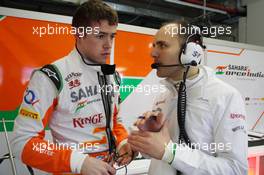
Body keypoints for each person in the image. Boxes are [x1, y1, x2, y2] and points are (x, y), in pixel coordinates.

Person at [11, 0, 134, 175]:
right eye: (100, 36)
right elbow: (22, 142)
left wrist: (122, 143)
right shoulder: (52, 76)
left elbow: (114, 121)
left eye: (112, 36)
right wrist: (78, 162)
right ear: (78, 34)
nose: (109, 44)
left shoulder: (111, 75)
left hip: (109, 169)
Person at [128, 21, 248, 175]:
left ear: (191, 52)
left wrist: (170, 152)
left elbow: (235, 169)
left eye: (162, 45)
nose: (153, 53)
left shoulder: (225, 96)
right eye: (154, 46)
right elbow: (159, 151)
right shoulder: (164, 95)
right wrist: (144, 141)